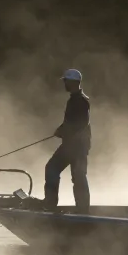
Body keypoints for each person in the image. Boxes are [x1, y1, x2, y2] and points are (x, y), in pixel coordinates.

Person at [43, 68, 91, 213]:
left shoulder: (81, 101)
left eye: (66, 81)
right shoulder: (74, 99)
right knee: (54, 169)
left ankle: (81, 209)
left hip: (78, 146)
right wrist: (61, 129)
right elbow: (71, 121)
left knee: (77, 176)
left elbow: (81, 123)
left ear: (73, 82)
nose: (64, 83)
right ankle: (51, 203)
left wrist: (64, 131)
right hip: (71, 145)